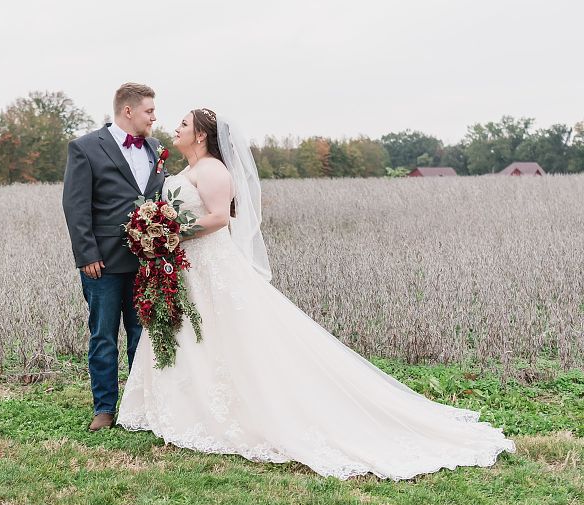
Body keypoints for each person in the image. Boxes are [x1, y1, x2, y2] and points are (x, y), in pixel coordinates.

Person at [117, 108, 515, 480]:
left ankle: (231, 409)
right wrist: (157, 230)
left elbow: (220, 218)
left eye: (185, 124)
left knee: (226, 336)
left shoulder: (214, 170)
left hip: (210, 265)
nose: (177, 128)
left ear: (201, 135)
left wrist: (171, 231)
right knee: (189, 333)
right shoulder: (187, 168)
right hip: (185, 267)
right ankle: (186, 407)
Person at [62, 83, 165, 432]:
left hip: (144, 261)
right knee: (103, 335)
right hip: (102, 262)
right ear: (128, 111)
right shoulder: (86, 148)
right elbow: (75, 206)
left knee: (141, 335)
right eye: (149, 111)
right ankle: (104, 408)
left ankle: (140, 408)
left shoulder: (155, 148)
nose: (154, 117)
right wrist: (86, 253)